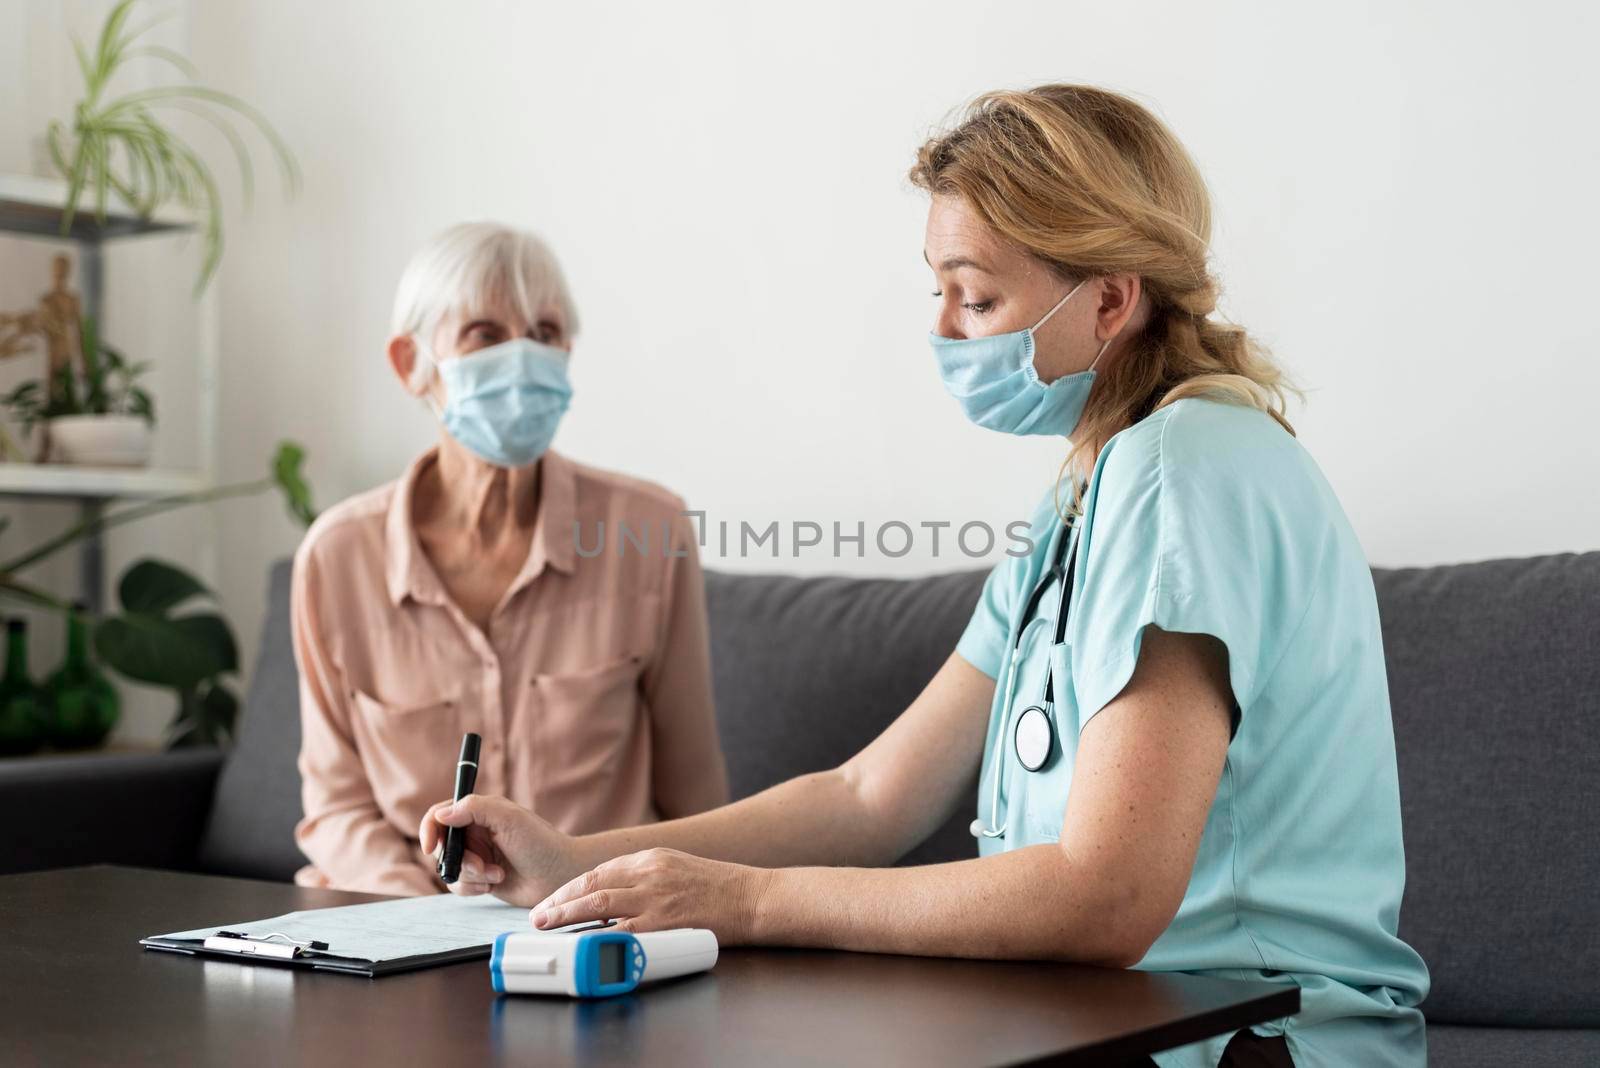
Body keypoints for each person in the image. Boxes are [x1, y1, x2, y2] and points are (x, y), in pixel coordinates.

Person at [418, 89, 1429, 1067]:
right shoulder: (1085, 497)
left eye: (977, 295)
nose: (943, 330)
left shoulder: (1185, 473)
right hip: (1108, 1026)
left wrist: (744, 900)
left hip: (1245, 1043)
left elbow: (1106, 896)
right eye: (937, 290)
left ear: (1111, 298)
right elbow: (870, 797)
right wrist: (580, 861)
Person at [293, 222, 729, 896]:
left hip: (594, 918)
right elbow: (336, 811)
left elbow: (695, 794)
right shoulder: (338, 557)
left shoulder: (649, 530)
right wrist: (430, 915)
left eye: (546, 333)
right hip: (403, 926)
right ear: (412, 364)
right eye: (486, 336)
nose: (524, 358)